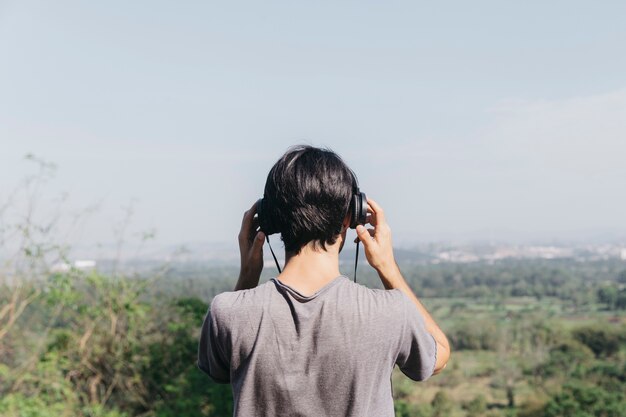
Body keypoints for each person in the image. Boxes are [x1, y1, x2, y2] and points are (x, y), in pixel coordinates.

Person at [198, 145, 450, 417]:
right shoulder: (390, 311)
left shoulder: (226, 312)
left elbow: (219, 369)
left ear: (269, 220)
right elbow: (438, 356)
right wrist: (388, 268)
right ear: (351, 216)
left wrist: (247, 274)